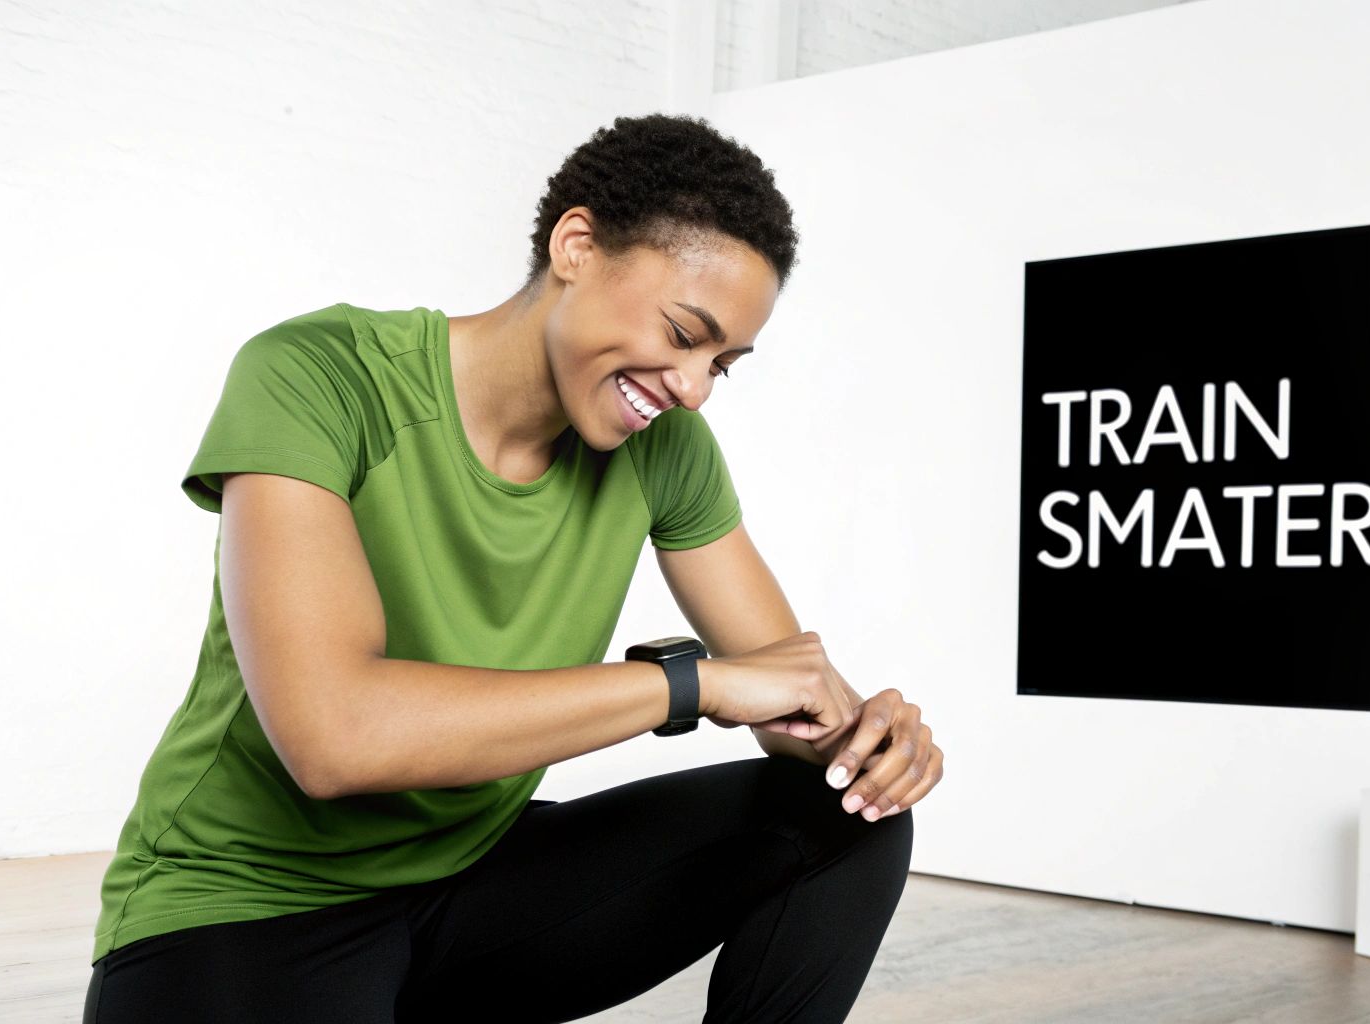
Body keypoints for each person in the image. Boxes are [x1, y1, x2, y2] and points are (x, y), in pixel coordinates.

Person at [83, 111, 945, 1023]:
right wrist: (689, 687)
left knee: (844, 821)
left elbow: (787, 691)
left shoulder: (668, 451)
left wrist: (871, 745)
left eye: (722, 365)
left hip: (471, 888)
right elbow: (335, 737)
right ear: (576, 245)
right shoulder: (317, 377)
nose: (692, 388)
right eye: (684, 333)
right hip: (249, 907)